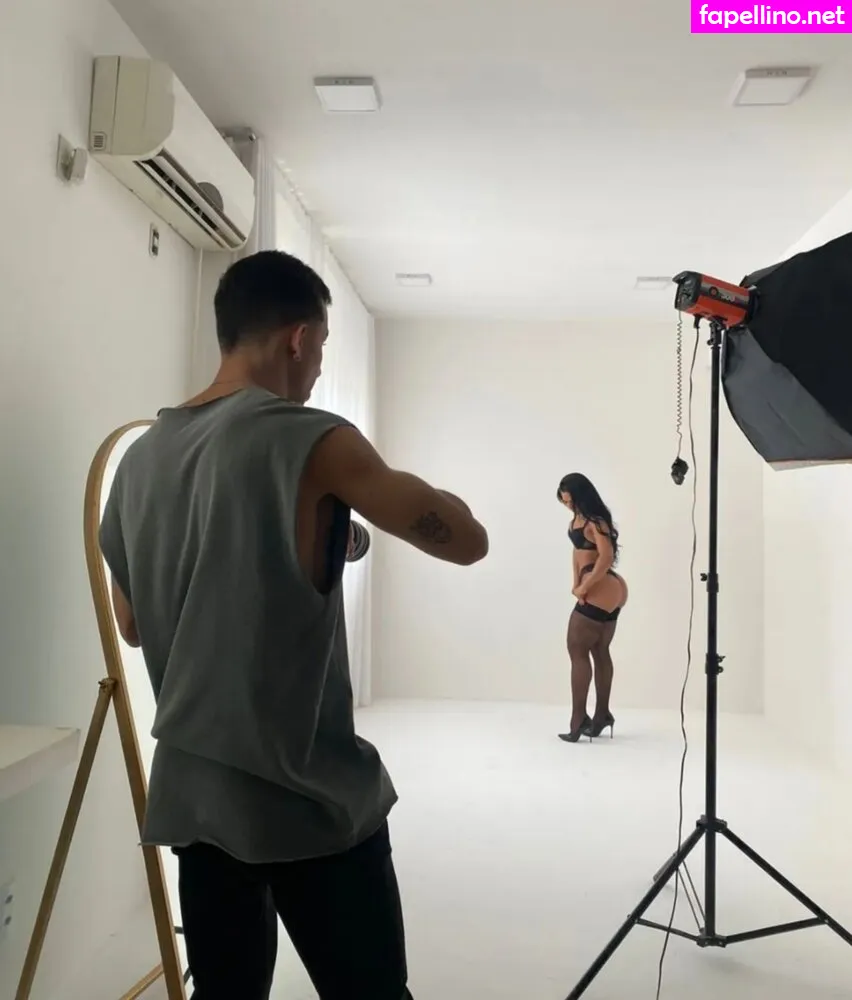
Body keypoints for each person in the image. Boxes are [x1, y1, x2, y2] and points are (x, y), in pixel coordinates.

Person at [98, 250, 489, 1000]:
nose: (316, 369)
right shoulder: (312, 438)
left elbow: (134, 623)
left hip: (196, 801)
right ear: (300, 338)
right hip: (307, 797)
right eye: (322, 348)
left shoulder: (139, 462)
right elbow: (467, 543)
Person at [555, 473, 627, 743]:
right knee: (599, 650)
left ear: (581, 496)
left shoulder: (595, 521)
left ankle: (578, 720)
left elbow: (606, 556)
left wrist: (584, 586)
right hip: (606, 590)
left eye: (571, 501)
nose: (568, 505)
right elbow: (578, 554)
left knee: (577, 650)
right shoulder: (580, 520)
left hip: (600, 587)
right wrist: (576, 583)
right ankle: (602, 715)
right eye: (564, 502)